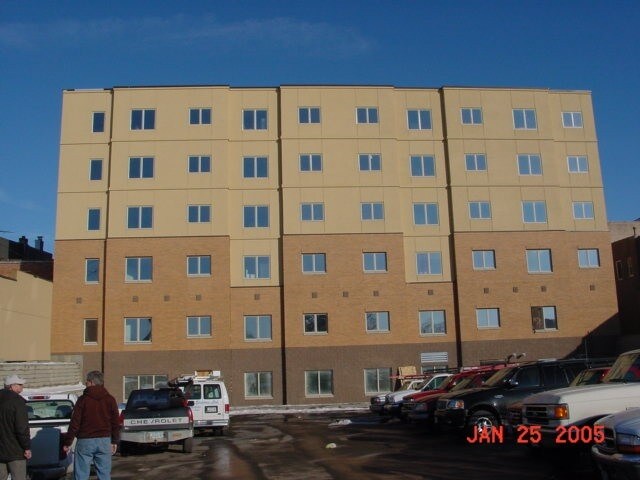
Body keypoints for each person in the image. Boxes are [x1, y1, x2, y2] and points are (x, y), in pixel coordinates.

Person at [63, 371, 119, 480]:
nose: (86, 384)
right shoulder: (110, 399)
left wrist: (68, 442)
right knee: (104, 474)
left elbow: (75, 422)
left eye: (87, 382)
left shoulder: (83, 400)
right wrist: (114, 441)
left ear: (92, 382)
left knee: (81, 474)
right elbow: (115, 422)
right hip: (104, 440)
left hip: (85, 440)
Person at [0, 374, 32, 480]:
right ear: (12, 386)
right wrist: (27, 447)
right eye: (20, 384)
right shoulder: (18, 402)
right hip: (15, 451)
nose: (22, 386)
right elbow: (21, 428)